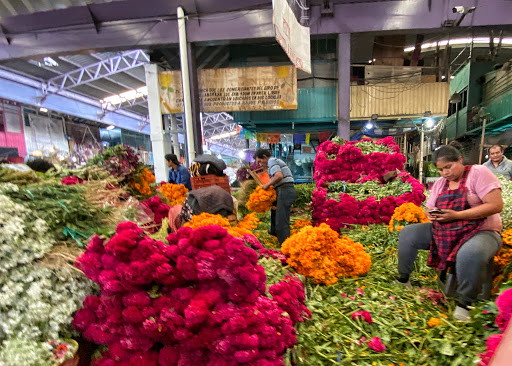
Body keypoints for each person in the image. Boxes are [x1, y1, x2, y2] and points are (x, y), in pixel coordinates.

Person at [395, 144, 503, 321]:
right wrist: (431, 216)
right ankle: (403, 278)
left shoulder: (478, 173)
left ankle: (465, 303)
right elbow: (428, 209)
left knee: (470, 253)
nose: (445, 173)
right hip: (446, 232)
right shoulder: (440, 184)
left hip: (483, 232)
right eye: (440, 169)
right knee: (408, 233)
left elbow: (496, 205)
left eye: (448, 167)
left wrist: (458, 215)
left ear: (460, 160)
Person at [254, 148, 296, 244]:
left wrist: (267, 185)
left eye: (260, 161)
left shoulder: (271, 160)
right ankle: (276, 234)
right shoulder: (273, 162)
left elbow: (278, 176)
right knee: (276, 216)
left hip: (285, 190)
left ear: (265, 156)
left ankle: (285, 247)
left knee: (281, 222)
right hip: (284, 190)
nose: (260, 164)